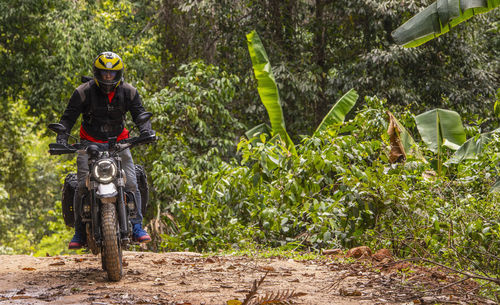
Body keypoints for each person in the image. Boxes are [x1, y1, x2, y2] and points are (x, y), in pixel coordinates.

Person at [57, 51, 154, 249]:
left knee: (131, 184)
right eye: (104, 73)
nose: (108, 77)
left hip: (119, 143)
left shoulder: (129, 91)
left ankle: (136, 226)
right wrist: (61, 137)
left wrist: (146, 131)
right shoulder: (83, 92)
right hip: (88, 143)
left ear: (119, 73)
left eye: (111, 73)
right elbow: (67, 119)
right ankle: (79, 230)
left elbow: (140, 115)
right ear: (96, 72)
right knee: (82, 186)